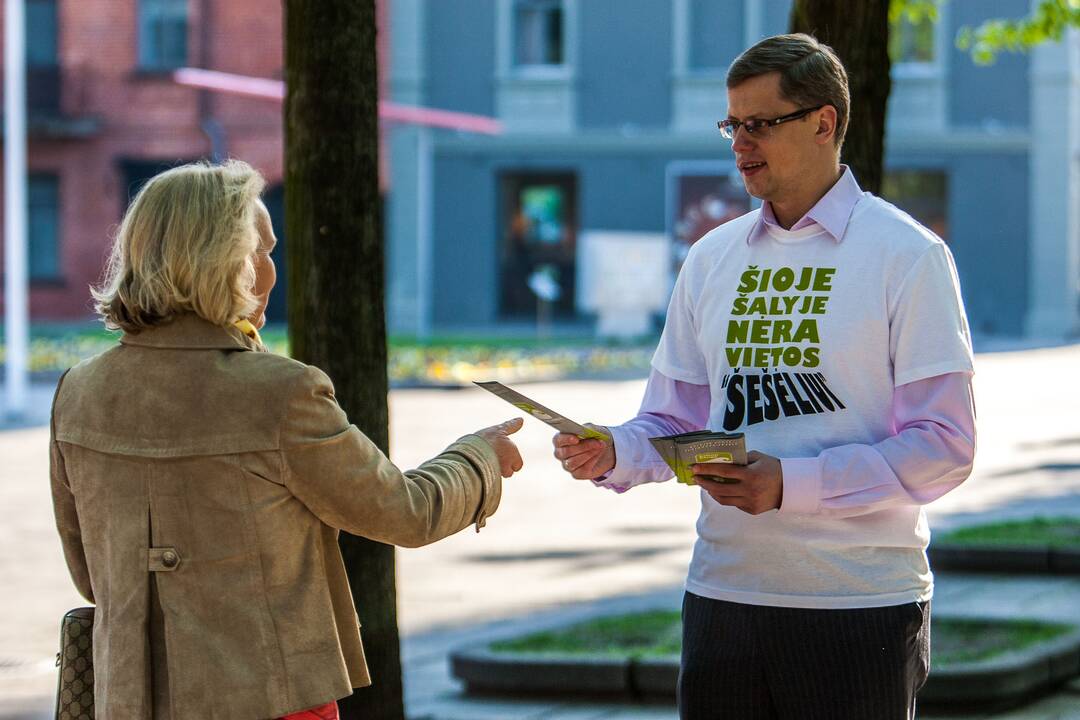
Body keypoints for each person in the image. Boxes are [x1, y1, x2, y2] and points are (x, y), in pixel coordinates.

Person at [553, 34, 975, 720]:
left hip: (859, 604)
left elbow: (944, 448)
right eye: (732, 124)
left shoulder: (908, 256)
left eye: (760, 124)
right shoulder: (712, 257)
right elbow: (675, 420)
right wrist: (615, 450)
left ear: (823, 122)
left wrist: (792, 485)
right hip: (724, 598)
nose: (740, 143)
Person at [49, 160, 525, 720]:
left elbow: (90, 573)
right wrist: (478, 456)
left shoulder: (78, 391)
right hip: (268, 699)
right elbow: (405, 512)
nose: (273, 271)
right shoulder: (280, 392)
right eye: (264, 251)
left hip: (126, 700)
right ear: (225, 263)